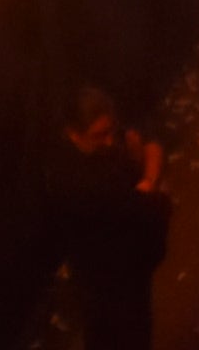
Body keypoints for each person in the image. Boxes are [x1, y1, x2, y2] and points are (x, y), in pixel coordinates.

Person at [58, 88, 171, 350]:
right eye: (99, 136)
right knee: (126, 334)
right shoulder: (82, 184)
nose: (109, 141)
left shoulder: (94, 152)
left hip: (116, 272)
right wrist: (150, 181)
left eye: (110, 131)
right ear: (74, 133)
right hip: (112, 277)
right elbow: (146, 206)